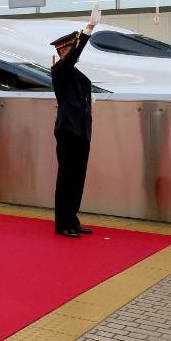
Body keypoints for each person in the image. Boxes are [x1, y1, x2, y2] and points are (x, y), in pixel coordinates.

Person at [50, 21, 98, 238]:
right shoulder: (60, 70)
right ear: (63, 51)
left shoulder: (77, 74)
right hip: (68, 131)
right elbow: (69, 61)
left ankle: (73, 219)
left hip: (81, 131)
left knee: (78, 177)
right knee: (67, 177)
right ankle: (62, 223)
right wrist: (86, 33)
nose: (74, 54)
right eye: (71, 50)